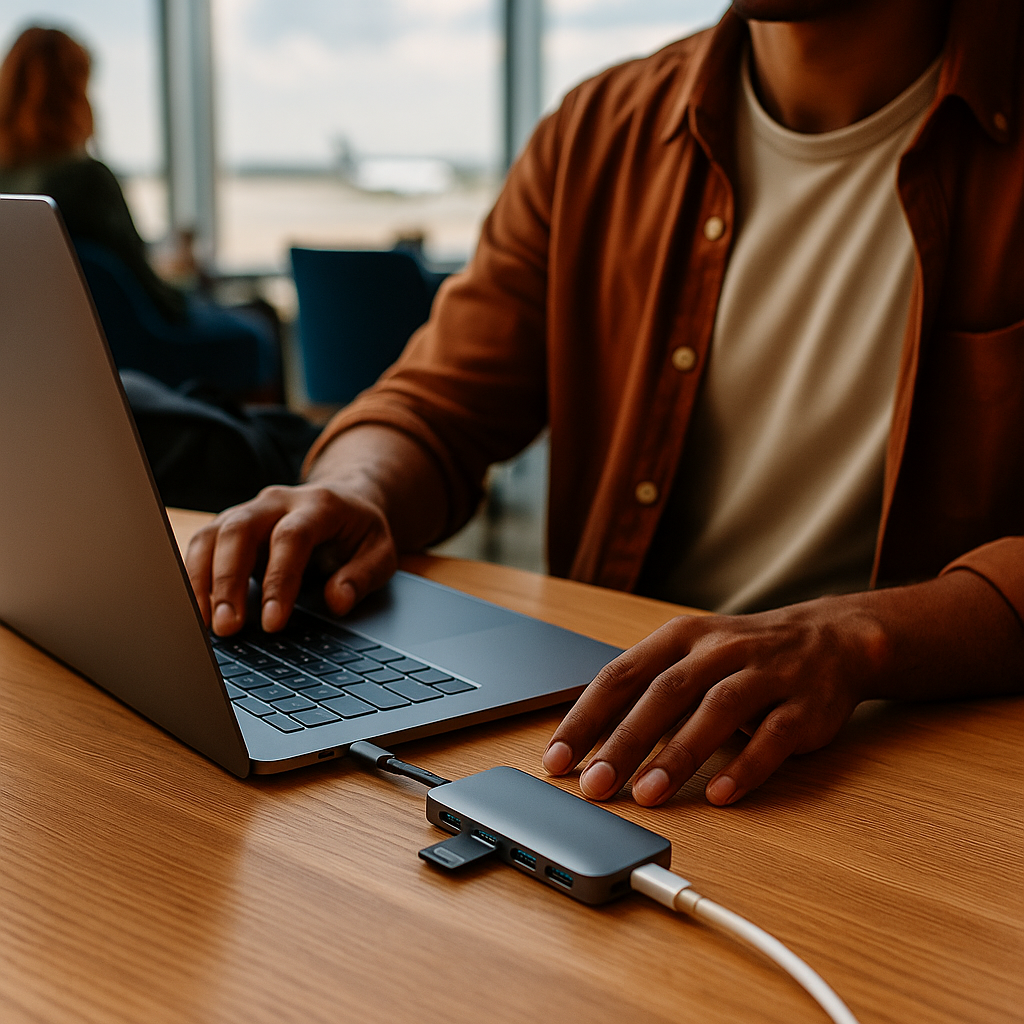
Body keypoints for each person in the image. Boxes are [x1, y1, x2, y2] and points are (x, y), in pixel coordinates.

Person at [186, 0, 1024, 809]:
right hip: (621, 738)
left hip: (919, 760)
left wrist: (863, 641)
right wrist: (356, 488)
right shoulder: (598, 131)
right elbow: (436, 401)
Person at [0, 25, 280, 397]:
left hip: (43, 354)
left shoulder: (9, 181)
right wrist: (181, 273)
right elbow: (154, 295)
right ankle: (265, 447)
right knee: (259, 323)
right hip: (133, 348)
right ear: (76, 93)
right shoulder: (85, 178)